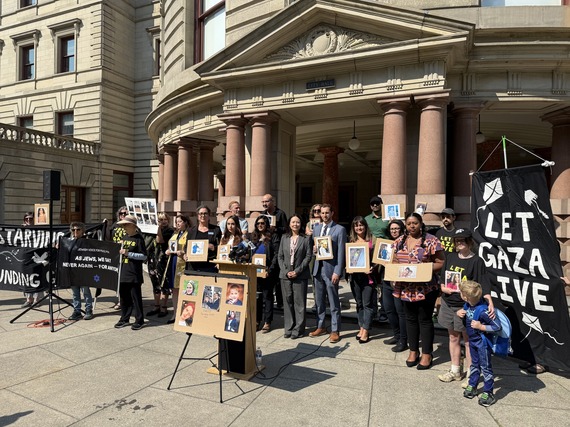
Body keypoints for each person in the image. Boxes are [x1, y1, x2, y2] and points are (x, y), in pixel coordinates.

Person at [438, 228, 495, 385]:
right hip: (448, 303)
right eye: (457, 240)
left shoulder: (477, 261)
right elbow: (442, 279)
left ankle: (472, 374)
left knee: (469, 341)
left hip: (466, 307)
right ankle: (455, 370)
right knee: (452, 337)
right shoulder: (450, 257)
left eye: (463, 240)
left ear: (470, 241)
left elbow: (482, 284)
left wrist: (489, 299)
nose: (459, 243)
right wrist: (443, 288)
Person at [392, 212, 445, 370]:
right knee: (410, 319)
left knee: (424, 319)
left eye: (415, 223)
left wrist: (423, 269)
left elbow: (441, 261)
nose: (412, 226)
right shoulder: (399, 241)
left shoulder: (431, 240)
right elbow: (394, 261)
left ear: (421, 223)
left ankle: (427, 353)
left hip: (426, 288)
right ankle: (413, 351)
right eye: (409, 224)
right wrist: (395, 273)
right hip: (406, 288)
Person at [457, 280, 501, 407]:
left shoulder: (483, 311)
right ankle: (473, 385)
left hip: (482, 343)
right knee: (474, 365)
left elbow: (497, 326)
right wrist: (460, 312)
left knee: (485, 367)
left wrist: (481, 326)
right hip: (472, 342)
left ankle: (488, 392)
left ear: (465, 296)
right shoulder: (468, 305)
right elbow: (465, 311)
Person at [310, 204, 347, 343]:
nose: (324, 215)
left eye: (327, 213)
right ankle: (321, 326)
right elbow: (316, 249)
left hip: (331, 271)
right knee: (319, 301)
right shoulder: (317, 228)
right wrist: (315, 250)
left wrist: (338, 271)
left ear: (332, 213)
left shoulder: (340, 229)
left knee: (333, 302)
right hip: (318, 270)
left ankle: (335, 330)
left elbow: (341, 254)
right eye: (322, 213)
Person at [278, 214, 313, 339]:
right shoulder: (284, 238)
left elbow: (308, 257)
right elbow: (280, 256)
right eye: (293, 222)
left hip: (300, 274)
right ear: (289, 224)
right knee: (288, 302)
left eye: (297, 222)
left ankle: (298, 329)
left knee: (299, 303)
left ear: (301, 224)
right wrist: (286, 271)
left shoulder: (305, 239)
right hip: (285, 275)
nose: (295, 224)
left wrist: (297, 271)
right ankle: (289, 327)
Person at [114, 214, 148, 330]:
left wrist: (129, 253)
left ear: (132, 226)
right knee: (124, 297)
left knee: (136, 297)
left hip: (134, 273)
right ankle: (124, 318)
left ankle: (139, 320)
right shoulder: (124, 237)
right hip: (123, 271)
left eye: (126, 224)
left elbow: (143, 256)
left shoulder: (139, 239)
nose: (124, 227)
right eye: (123, 225)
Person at [347, 216, 376, 344]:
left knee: (367, 304)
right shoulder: (351, 241)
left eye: (361, 225)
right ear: (354, 228)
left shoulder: (372, 240)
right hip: (355, 277)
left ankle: (366, 330)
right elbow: (347, 259)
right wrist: (347, 268)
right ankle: (361, 326)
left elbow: (377, 260)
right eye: (356, 225)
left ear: (365, 226)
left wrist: (373, 268)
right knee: (359, 304)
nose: (359, 228)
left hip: (368, 277)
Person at [250, 215, 280, 333]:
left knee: (267, 296)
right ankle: (257, 321)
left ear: (266, 224)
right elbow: (250, 252)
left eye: (262, 223)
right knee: (257, 297)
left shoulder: (273, 236)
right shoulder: (254, 237)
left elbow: (276, 255)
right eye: (258, 223)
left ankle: (267, 321)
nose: (260, 225)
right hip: (255, 272)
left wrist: (270, 269)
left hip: (268, 272)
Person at [382, 219, 408, 352]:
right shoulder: (385, 243)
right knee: (389, 309)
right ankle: (396, 335)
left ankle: (404, 340)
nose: (394, 231)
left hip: (399, 282)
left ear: (402, 229)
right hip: (386, 280)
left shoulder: (405, 244)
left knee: (400, 312)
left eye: (397, 228)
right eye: (392, 229)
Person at [364, 195, 389, 322]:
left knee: (384, 282)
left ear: (381, 204)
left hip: (385, 252)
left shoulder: (388, 218)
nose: (375, 206)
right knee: (372, 282)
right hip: (371, 252)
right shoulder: (367, 219)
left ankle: (384, 310)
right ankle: (372, 310)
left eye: (377, 203)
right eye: (373, 204)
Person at [261, 193, 287, 309]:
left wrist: (275, 228)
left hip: (278, 247)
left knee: (277, 276)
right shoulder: (262, 215)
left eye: (266, 201)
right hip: (266, 247)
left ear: (272, 202)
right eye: (263, 202)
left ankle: (280, 302)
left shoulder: (280, 214)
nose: (264, 204)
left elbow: (286, 229)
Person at [146, 212, 174, 318]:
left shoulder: (170, 231)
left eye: (164, 219)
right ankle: (156, 306)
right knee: (155, 283)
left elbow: (160, 240)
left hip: (163, 260)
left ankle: (164, 307)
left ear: (168, 220)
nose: (162, 222)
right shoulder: (152, 231)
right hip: (153, 260)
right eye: (160, 220)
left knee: (163, 283)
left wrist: (157, 229)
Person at [165, 214, 191, 324]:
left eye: (180, 221)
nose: (178, 224)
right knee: (174, 290)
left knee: (184, 289)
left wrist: (183, 252)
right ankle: (175, 313)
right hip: (173, 263)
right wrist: (168, 250)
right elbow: (171, 246)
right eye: (176, 222)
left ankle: (184, 314)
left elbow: (190, 249)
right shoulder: (175, 234)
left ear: (185, 222)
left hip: (183, 264)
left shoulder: (189, 234)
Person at [67, 222, 94, 321]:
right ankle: (77, 311)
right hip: (73, 271)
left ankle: (88, 310)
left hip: (84, 271)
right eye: (73, 230)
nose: (75, 231)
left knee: (86, 291)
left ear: (82, 231)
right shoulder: (69, 242)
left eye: (78, 229)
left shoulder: (87, 242)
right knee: (75, 293)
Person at [185, 205, 222, 273]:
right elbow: (186, 247)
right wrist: (185, 255)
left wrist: (214, 247)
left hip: (210, 266)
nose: (203, 216)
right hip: (193, 266)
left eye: (205, 213)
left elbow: (222, 247)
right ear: (197, 216)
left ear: (209, 215)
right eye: (201, 213)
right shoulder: (191, 230)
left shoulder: (216, 230)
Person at [107, 206, 129, 310]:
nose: (123, 215)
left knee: (126, 280)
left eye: (125, 213)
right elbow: (108, 237)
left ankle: (127, 301)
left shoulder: (130, 225)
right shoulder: (115, 225)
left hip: (127, 255)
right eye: (121, 214)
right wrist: (104, 226)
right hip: (116, 255)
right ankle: (121, 301)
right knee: (118, 280)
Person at [21, 212, 44, 308]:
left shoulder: (40, 230)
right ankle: (28, 299)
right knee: (26, 278)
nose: (28, 221)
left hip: (37, 256)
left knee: (37, 277)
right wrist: (22, 229)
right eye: (27, 219)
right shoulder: (21, 230)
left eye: (31, 219)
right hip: (26, 257)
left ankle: (36, 299)